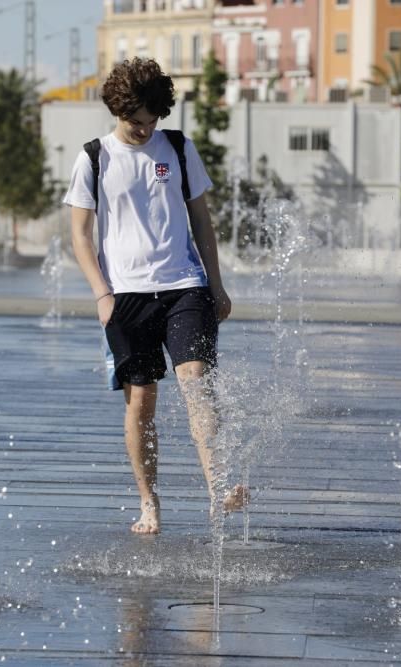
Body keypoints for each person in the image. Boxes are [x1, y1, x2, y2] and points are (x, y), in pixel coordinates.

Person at [64, 58, 247, 535]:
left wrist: (217, 283)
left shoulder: (181, 148)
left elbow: (201, 221)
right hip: (125, 296)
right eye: (136, 122)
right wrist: (102, 295)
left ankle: (219, 489)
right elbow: (80, 236)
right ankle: (149, 503)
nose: (146, 130)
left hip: (184, 285)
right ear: (118, 111)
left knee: (195, 382)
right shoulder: (94, 157)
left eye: (152, 121)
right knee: (141, 402)